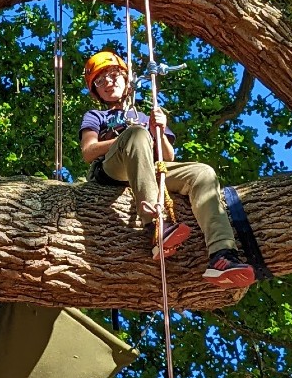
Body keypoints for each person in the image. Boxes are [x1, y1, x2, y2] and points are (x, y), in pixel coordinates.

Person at [79, 51, 255, 288]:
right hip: (113, 170)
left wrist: (157, 131)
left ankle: (222, 255)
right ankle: (156, 226)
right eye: (100, 81)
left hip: (148, 169)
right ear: (96, 92)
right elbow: (89, 151)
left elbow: (168, 157)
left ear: (126, 77)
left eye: (112, 75)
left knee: (202, 173)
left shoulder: (143, 115)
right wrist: (128, 139)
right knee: (136, 134)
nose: (108, 83)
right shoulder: (97, 116)